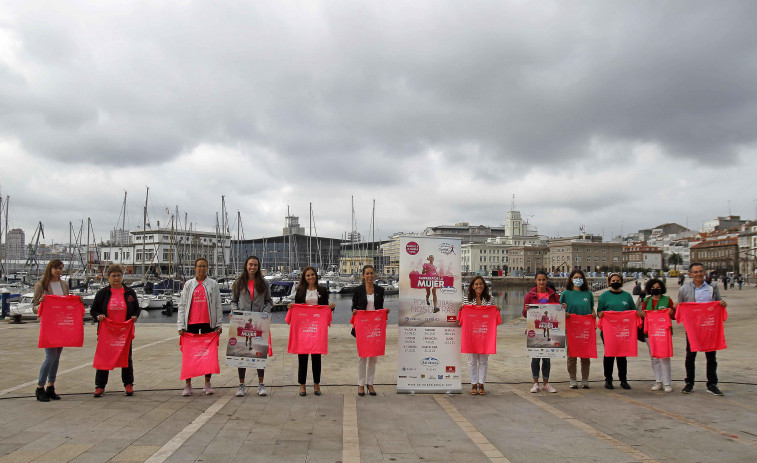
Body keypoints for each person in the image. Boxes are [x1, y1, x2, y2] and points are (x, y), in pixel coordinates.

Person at [90, 265, 141, 397]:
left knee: (126, 358)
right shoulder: (102, 293)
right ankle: (100, 386)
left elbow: (136, 308)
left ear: (122, 276)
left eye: (119, 275)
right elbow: (93, 310)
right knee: (104, 357)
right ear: (108, 277)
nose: (116, 278)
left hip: (124, 331)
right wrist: (98, 316)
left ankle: (128, 384)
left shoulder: (130, 292)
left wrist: (135, 316)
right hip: (107, 332)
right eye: (113, 276)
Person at [678, 262, 727, 396]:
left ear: (705, 272)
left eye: (701, 271)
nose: (698, 274)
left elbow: (718, 303)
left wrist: (722, 304)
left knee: (711, 356)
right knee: (690, 355)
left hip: (709, 327)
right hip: (693, 328)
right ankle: (689, 382)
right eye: (695, 272)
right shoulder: (683, 289)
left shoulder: (712, 287)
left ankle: (712, 384)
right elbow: (681, 307)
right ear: (690, 274)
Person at [178, 258, 223, 396]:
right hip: (190, 324)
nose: (201, 269)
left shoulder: (213, 284)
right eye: (199, 266)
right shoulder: (189, 285)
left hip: (208, 323)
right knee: (189, 355)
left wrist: (218, 324)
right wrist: (181, 325)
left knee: (207, 354)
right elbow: (182, 305)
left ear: (207, 268)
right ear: (195, 268)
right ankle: (188, 385)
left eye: (204, 266)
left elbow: (217, 305)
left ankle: (207, 383)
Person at [288, 266, 335, 396]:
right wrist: (291, 307)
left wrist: (331, 307)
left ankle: (316, 384)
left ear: (316, 276)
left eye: (312, 275)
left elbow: (325, 308)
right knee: (302, 356)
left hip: (317, 328)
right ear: (304, 277)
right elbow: (296, 308)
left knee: (316, 356)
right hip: (303, 328)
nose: (310, 277)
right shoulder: (300, 291)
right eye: (308, 275)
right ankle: (302, 385)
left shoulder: (323, 290)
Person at [230, 255, 273, 397]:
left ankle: (261, 384)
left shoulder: (264, 283)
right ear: (246, 265)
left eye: (255, 265)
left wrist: (265, 312)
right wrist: (235, 311)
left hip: (258, 321)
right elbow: (233, 301)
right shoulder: (239, 283)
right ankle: (241, 384)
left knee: (259, 353)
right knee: (241, 353)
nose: (252, 267)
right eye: (250, 264)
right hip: (243, 322)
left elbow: (269, 301)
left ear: (258, 267)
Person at [32, 259, 71, 402]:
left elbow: (67, 303)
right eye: (56, 268)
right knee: (50, 356)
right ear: (50, 269)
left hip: (61, 324)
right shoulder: (41, 285)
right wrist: (42, 303)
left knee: (57, 357)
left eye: (61, 268)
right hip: (49, 325)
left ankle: (51, 386)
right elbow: (35, 308)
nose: (58, 271)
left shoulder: (64, 285)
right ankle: (40, 387)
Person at [597, 272, 641, 390]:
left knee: (622, 355)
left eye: (617, 280)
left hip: (623, 331)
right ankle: (608, 379)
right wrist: (601, 314)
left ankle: (623, 379)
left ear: (621, 281)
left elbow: (633, 311)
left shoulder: (627, 296)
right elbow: (599, 312)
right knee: (609, 354)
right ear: (609, 282)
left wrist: (639, 314)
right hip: (609, 331)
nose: (615, 282)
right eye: (613, 281)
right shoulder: (604, 296)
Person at [461, 275, 501, 396]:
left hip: (484, 334)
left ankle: (481, 383)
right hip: (471, 334)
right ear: (472, 286)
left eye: (481, 284)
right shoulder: (466, 299)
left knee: (483, 361)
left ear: (484, 286)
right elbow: (463, 315)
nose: (479, 286)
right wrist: (461, 310)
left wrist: (497, 310)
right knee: (472, 360)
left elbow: (493, 317)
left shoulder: (491, 299)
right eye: (476, 284)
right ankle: (473, 384)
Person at [351, 265, 387, 397]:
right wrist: (354, 312)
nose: (370, 276)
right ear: (363, 275)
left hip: (375, 328)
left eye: (372, 273)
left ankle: (370, 383)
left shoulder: (380, 290)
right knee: (362, 357)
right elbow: (353, 307)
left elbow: (380, 308)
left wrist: (385, 312)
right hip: (362, 328)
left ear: (374, 275)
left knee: (373, 357)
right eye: (367, 273)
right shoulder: (357, 290)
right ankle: (361, 384)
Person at [523, 270, 559, 393]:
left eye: (544, 279)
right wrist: (527, 309)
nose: (542, 282)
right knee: (535, 357)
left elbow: (557, 311)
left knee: (547, 358)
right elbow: (524, 314)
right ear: (535, 281)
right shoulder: (530, 295)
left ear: (547, 280)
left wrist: (562, 308)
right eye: (539, 280)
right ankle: (535, 383)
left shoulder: (553, 295)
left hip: (549, 328)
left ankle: (546, 383)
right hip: (535, 329)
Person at [560, 269, 595, 389]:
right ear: (571, 279)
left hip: (585, 329)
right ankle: (573, 378)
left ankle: (585, 379)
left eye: (580, 277)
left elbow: (591, 309)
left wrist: (594, 313)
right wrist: (565, 313)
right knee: (572, 354)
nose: (578, 279)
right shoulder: (566, 294)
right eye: (575, 277)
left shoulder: (588, 293)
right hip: (571, 329)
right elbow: (559, 309)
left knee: (586, 354)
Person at [640, 278, 675, 392]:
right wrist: (643, 314)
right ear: (649, 289)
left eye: (658, 287)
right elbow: (642, 315)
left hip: (663, 333)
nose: (656, 289)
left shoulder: (667, 300)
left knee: (664, 357)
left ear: (662, 288)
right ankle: (658, 381)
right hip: (650, 333)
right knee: (654, 358)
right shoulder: (646, 300)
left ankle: (667, 383)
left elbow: (674, 315)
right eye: (653, 287)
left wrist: (672, 311)